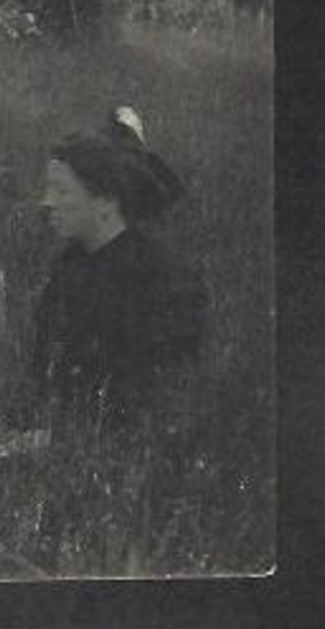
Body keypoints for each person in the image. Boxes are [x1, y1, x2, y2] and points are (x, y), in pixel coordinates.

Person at [31, 106, 207, 565]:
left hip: (127, 467)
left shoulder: (163, 277)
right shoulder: (68, 267)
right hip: (66, 442)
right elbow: (45, 371)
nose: (45, 202)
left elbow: (160, 397)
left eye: (60, 190)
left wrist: (63, 444)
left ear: (106, 201)